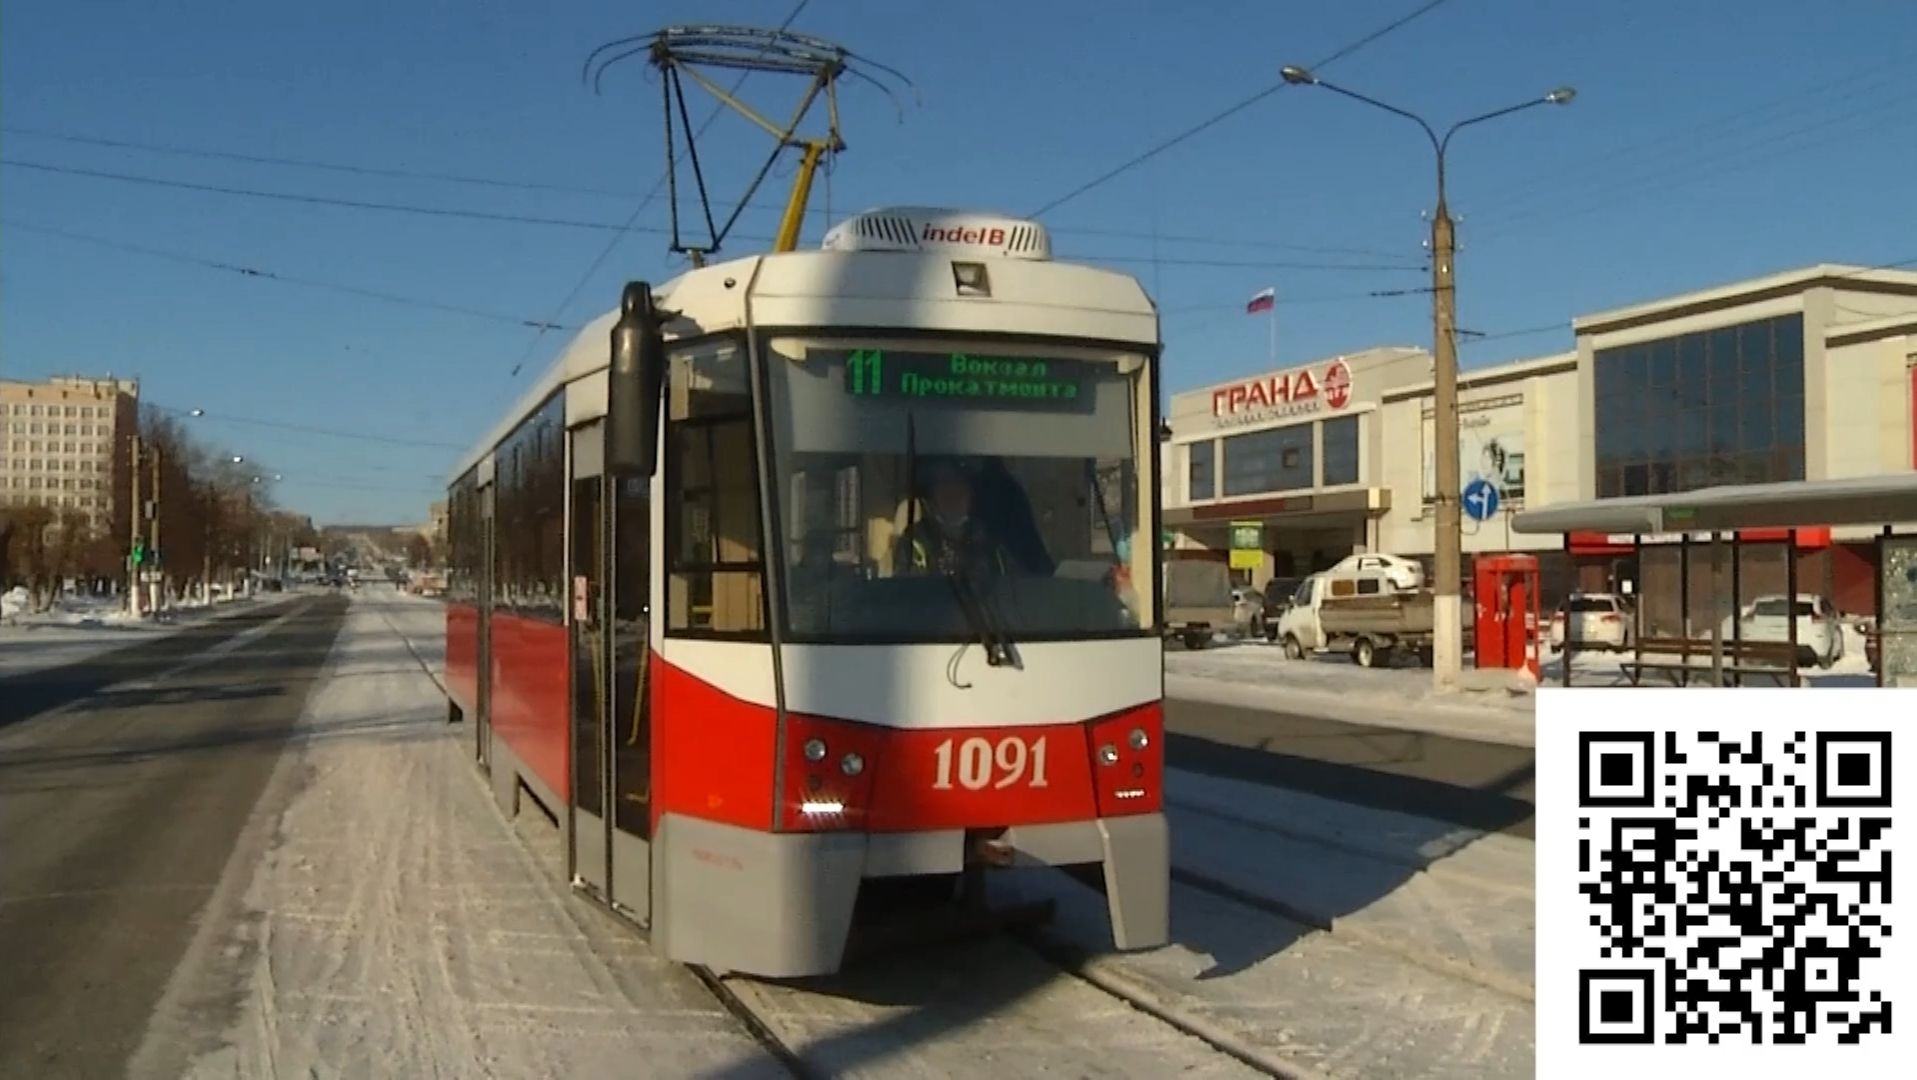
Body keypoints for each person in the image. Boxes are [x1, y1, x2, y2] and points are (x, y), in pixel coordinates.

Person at [894, 459, 1013, 579]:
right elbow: (907, 591)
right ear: (931, 494)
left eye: (959, 486)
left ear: (971, 492)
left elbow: (1010, 588)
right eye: (944, 485)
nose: (952, 492)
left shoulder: (990, 539)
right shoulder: (915, 540)